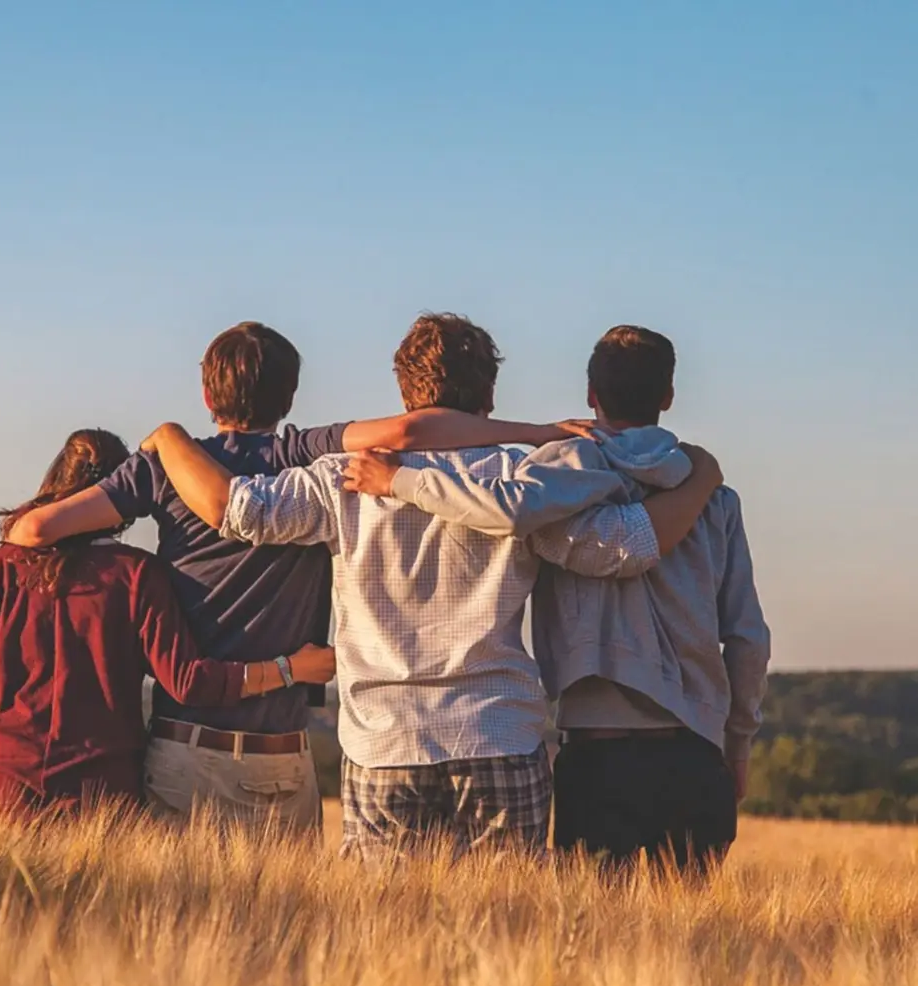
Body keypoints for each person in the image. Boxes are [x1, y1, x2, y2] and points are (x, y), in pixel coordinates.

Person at [144, 313, 725, 860]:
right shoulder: (523, 481)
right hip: (498, 733)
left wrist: (169, 439)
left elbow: (239, 511)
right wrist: (701, 479)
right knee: (509, 934)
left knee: (387, 937)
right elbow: (624, 547)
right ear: (489, 397)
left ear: (404, 395)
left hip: (384, 741)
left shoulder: (342, 479)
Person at [4, 321, 591, 835]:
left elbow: (33, 532)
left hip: (190, 744)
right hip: (293, 750)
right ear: (290, 397)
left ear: (208, 395)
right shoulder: (304, 453)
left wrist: (162, 443)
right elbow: (412, 434)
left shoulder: (165, 467)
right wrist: (538, 433)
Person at [343, 325, 770, 874]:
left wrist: (402, 481)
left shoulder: (553, 481)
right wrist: (737, 746)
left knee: (588, 942)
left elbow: (508, 511)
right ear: (667, 396)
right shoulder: (714, 498)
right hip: (696, 751)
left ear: (591, 394)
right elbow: (747, 638)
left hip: (598, 755)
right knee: (690, 946)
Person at [0, 428, 337, 822]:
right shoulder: (137, 575)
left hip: (1, 792)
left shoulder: (7, 565)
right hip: (100, 801)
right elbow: (188, 682)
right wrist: (291, 669)